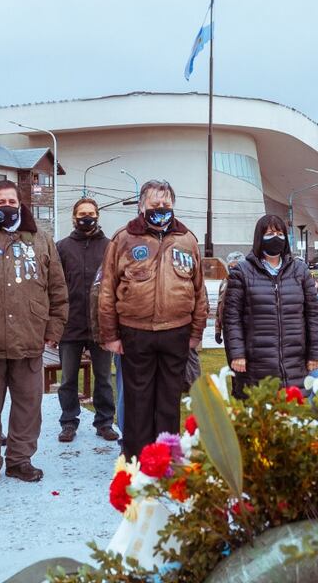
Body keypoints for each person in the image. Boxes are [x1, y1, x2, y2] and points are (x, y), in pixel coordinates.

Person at [0, 181, 68, 486]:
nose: (7, 206)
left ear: (20, 205)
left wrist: (54, 328)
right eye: (0, 202)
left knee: (28, 406)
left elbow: (57, 289)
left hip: (29, 337)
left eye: (12, 201)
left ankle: (20, 460)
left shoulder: (41, 239)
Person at [98, 180, 207, 459]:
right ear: (141, 206)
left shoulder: (187, 239)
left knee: (169, 402)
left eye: (166, 204)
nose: (161, 208)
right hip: (135, 332)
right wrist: (110, 336)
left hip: (176, 332)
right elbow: (107, 290)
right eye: (154, 204)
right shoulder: (124, 239)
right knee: (138, 402)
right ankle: (138, 460)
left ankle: (166, 460)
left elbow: (199, 291)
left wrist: (196, 333)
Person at [223, 215, 318, 398]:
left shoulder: (300, 271)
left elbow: (313, 315)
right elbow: (231, 318)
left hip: (294, 362)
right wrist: (237, 353)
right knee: (261, 412)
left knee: (295, 411)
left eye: (279, 233)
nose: (275, 238)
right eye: (270, 233)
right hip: (256, 363)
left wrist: (315, 353)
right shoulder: (242, 272)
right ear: (259, 237)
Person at [56, 198, 118, 443]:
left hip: (100, 325)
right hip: (70, 325)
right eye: (82, 214)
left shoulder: (110, 247)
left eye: (91, 213)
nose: (86, 218)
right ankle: (68, 422)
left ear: (97, 216)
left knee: (104, 378)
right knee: (68, 379)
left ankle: (104, 422)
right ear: (74, 217)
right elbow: (55, 286)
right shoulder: (62, 247)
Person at [214, 251, 245, 345]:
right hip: (227, 329)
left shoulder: (248, 283)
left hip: (243, 330)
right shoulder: (224, 283)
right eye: (230, 266)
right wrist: (217, 330)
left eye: (236, 266)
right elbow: (219, 308)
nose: (232, 269)